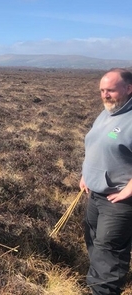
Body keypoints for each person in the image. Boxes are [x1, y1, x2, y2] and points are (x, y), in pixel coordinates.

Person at [79, 68, 132, 294]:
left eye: (110, 90)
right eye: (102, 90)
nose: (105, 95)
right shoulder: (107, 113)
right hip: (95, 194)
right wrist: (87, 174)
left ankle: (103, 290)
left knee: (108, 251)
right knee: (93, 242)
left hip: (118, 200)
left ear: (128, 89)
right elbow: (96, 145)